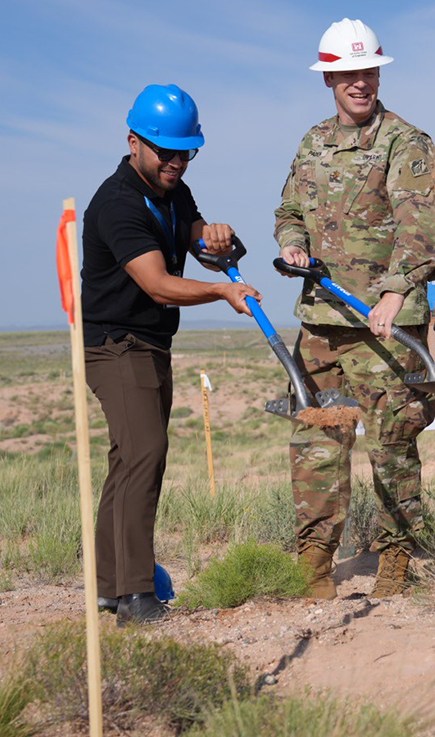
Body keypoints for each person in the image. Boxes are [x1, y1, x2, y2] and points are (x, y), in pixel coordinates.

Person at [274, 18, 435, 599]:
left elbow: (423, 225)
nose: (359, 82)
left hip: (385, 325)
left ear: (377, 72)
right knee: (317, 445)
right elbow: (288, 210)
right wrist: (291, 243)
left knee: (393, 443)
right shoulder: (312, 141)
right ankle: (315, 568)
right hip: (320, 321)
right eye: (347, 74)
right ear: (329, 79)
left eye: (367, 71)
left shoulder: (405, 142)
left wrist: (395, 292)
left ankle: (395, 563)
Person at [82, 84, 259, 625]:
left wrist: (219, 238)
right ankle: (136, 597)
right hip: (116, 346)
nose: (178, 163)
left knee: (129, 460)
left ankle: (110, 587)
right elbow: (157, 283)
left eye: (187, 152)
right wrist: (223, 291)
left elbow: (199, 240)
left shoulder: (172, 191)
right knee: (144, 455)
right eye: (167, 152)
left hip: (152, 344)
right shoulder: (116, 203)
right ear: (134, 141)